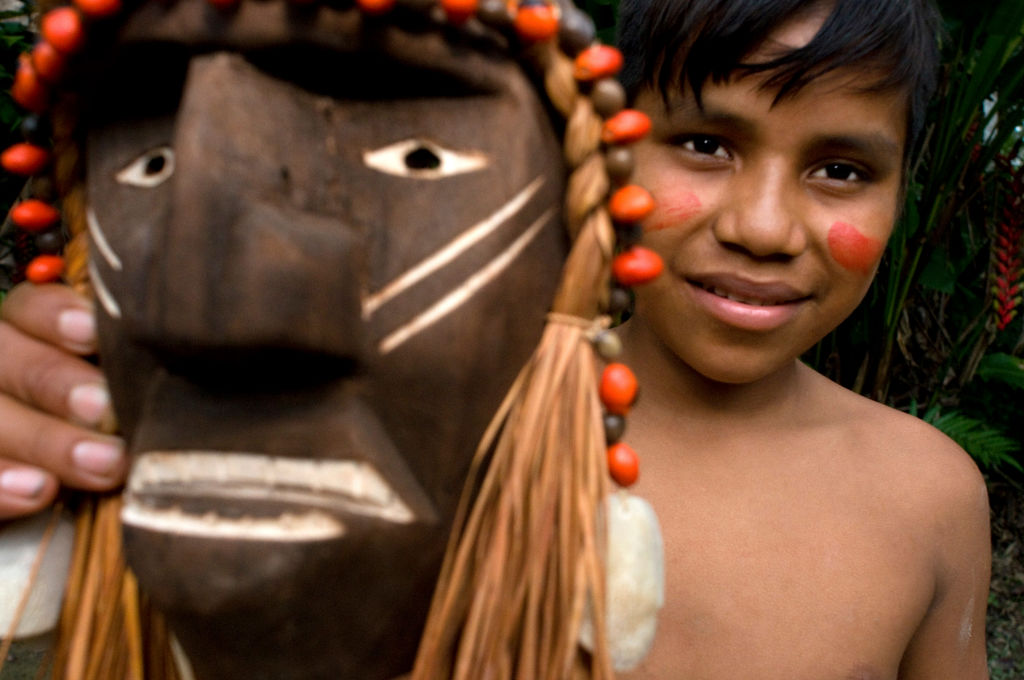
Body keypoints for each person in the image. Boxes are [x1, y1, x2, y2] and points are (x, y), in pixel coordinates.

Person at [0, 0, 991, 679]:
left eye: (842, 169)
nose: (763, 227)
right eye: (705, 144)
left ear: (906, 189)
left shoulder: (930, 494)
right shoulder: (416, 412)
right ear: (594, 150)